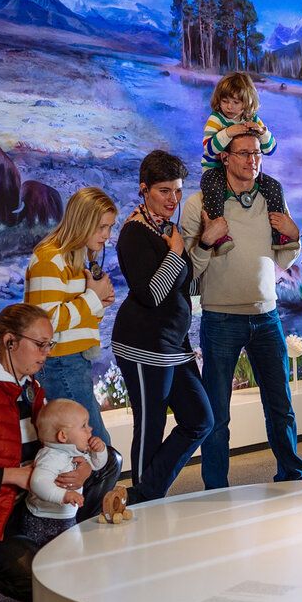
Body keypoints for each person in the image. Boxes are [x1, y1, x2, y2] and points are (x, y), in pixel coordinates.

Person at [0, 303, 121, 602]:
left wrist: (85, 469)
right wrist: (15, 475)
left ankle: (58, 536)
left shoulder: (32, 389)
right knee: (39, 576)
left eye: (49, 345)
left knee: (110, 460)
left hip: (21, 507)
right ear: (10, 342)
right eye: (40, 345)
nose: (46, 353)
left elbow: (55, 449)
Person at [181, 131, 302, 489]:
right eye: (243, 154)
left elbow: (283, 258)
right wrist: (207, 240)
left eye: (256, 154)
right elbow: (188, 269)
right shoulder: (201, 204)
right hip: (220, 318)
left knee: (280, 405)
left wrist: (294, 235)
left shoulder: (271, 198)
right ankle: (215, 489)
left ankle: (293, 477)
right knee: (218, 415)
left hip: (266, 315)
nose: (252, 160)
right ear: (225, 158)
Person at [111, 150, 214, 502]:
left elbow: (185, 287)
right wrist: (175, 252)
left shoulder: (168, 229)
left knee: (201, 419)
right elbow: (152, 294)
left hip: (174, 345)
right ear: (144, 189)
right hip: (142, 345)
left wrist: (204, 245)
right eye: (164, 191)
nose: (174, 199)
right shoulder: (134, 233)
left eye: (178, 190)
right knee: (150, 427)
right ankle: (142, 508)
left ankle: (145, 494)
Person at [25, 186, 117, 445]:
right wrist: (92, 299)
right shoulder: (50, 259)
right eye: (101, 227)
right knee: (94, 444)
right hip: (60, 362)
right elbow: (44, 324)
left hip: (72, 361)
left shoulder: (73, 259)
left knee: (90, 443)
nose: (106, 236)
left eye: (109, 228)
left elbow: (76, 320)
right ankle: (102, 487)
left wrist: (98, 304)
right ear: (82, 221)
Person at [200, 71, 295, 255]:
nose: (229, 107)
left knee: (274, 187)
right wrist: (229, 132)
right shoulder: (216, 119)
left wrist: (261, 132)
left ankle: (278, 235)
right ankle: (219, 234)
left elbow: (271, 149)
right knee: (212, 188)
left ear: (246, 103)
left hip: (246, 173)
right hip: (216, 170)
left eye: (236, 102)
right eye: (225, 101)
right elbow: (209, 149)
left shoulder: (252, 119)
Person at [21, 398, 109, 547]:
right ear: (63, 436)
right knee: (47, 554)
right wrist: (64, 495)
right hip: (43, 519)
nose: (90, 429)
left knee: (71, 551)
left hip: (66, 516)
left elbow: (96, 465)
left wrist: (99, 451)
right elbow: (37, 483)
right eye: (83, 426)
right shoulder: (51, 457)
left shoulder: (73, 449)